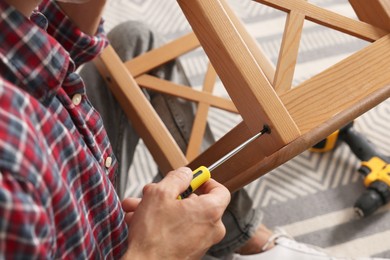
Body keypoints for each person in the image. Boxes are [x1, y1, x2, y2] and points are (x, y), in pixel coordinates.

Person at [0, 0, 386, 259]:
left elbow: (43, 50)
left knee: (133, 39)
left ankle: (242, 233)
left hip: (77, 213)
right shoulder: (10, 159)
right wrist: (153, 249)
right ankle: (252, 240)